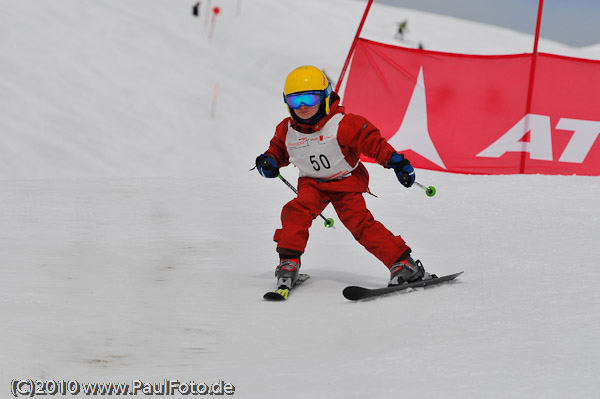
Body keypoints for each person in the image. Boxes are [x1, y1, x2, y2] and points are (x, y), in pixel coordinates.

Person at [255, 65, 427, 289]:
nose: (303, 106)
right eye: (296, 101)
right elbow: (278, 149)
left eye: (310, 98)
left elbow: (372, 142)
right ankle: (289, 262)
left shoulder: (343, 124)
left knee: (360, 225)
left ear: (325, 97)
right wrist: (268, 161)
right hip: (312, 185)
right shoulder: (287, 129)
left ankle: (404, 264)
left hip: (344, 182)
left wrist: (396, 163)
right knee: (295, 213)